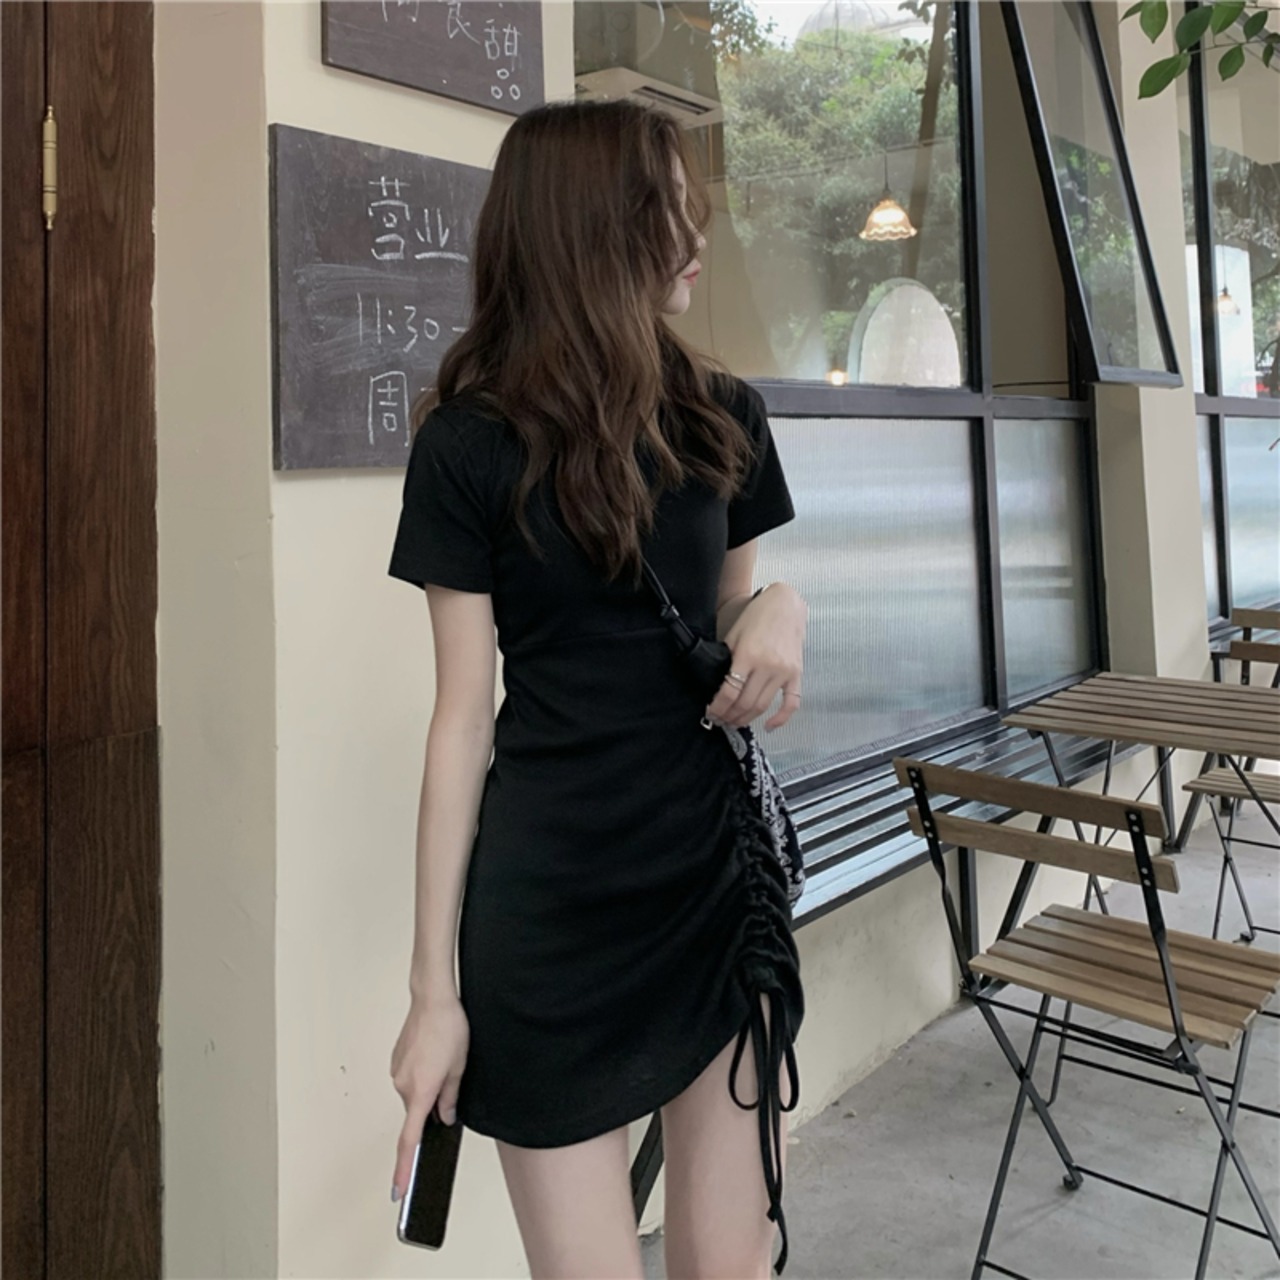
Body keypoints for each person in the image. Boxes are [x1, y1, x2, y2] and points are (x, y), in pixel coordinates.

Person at [386, 98, 809, 1279]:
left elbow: (729, 631)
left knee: (726, 1264)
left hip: (711, 886)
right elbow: (460, 720)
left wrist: (784, 605)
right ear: (591, 227)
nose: (695, 234)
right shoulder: (467, 445)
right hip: (550, 914)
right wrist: (432, 992)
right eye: (666, 207)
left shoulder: (721, 415)